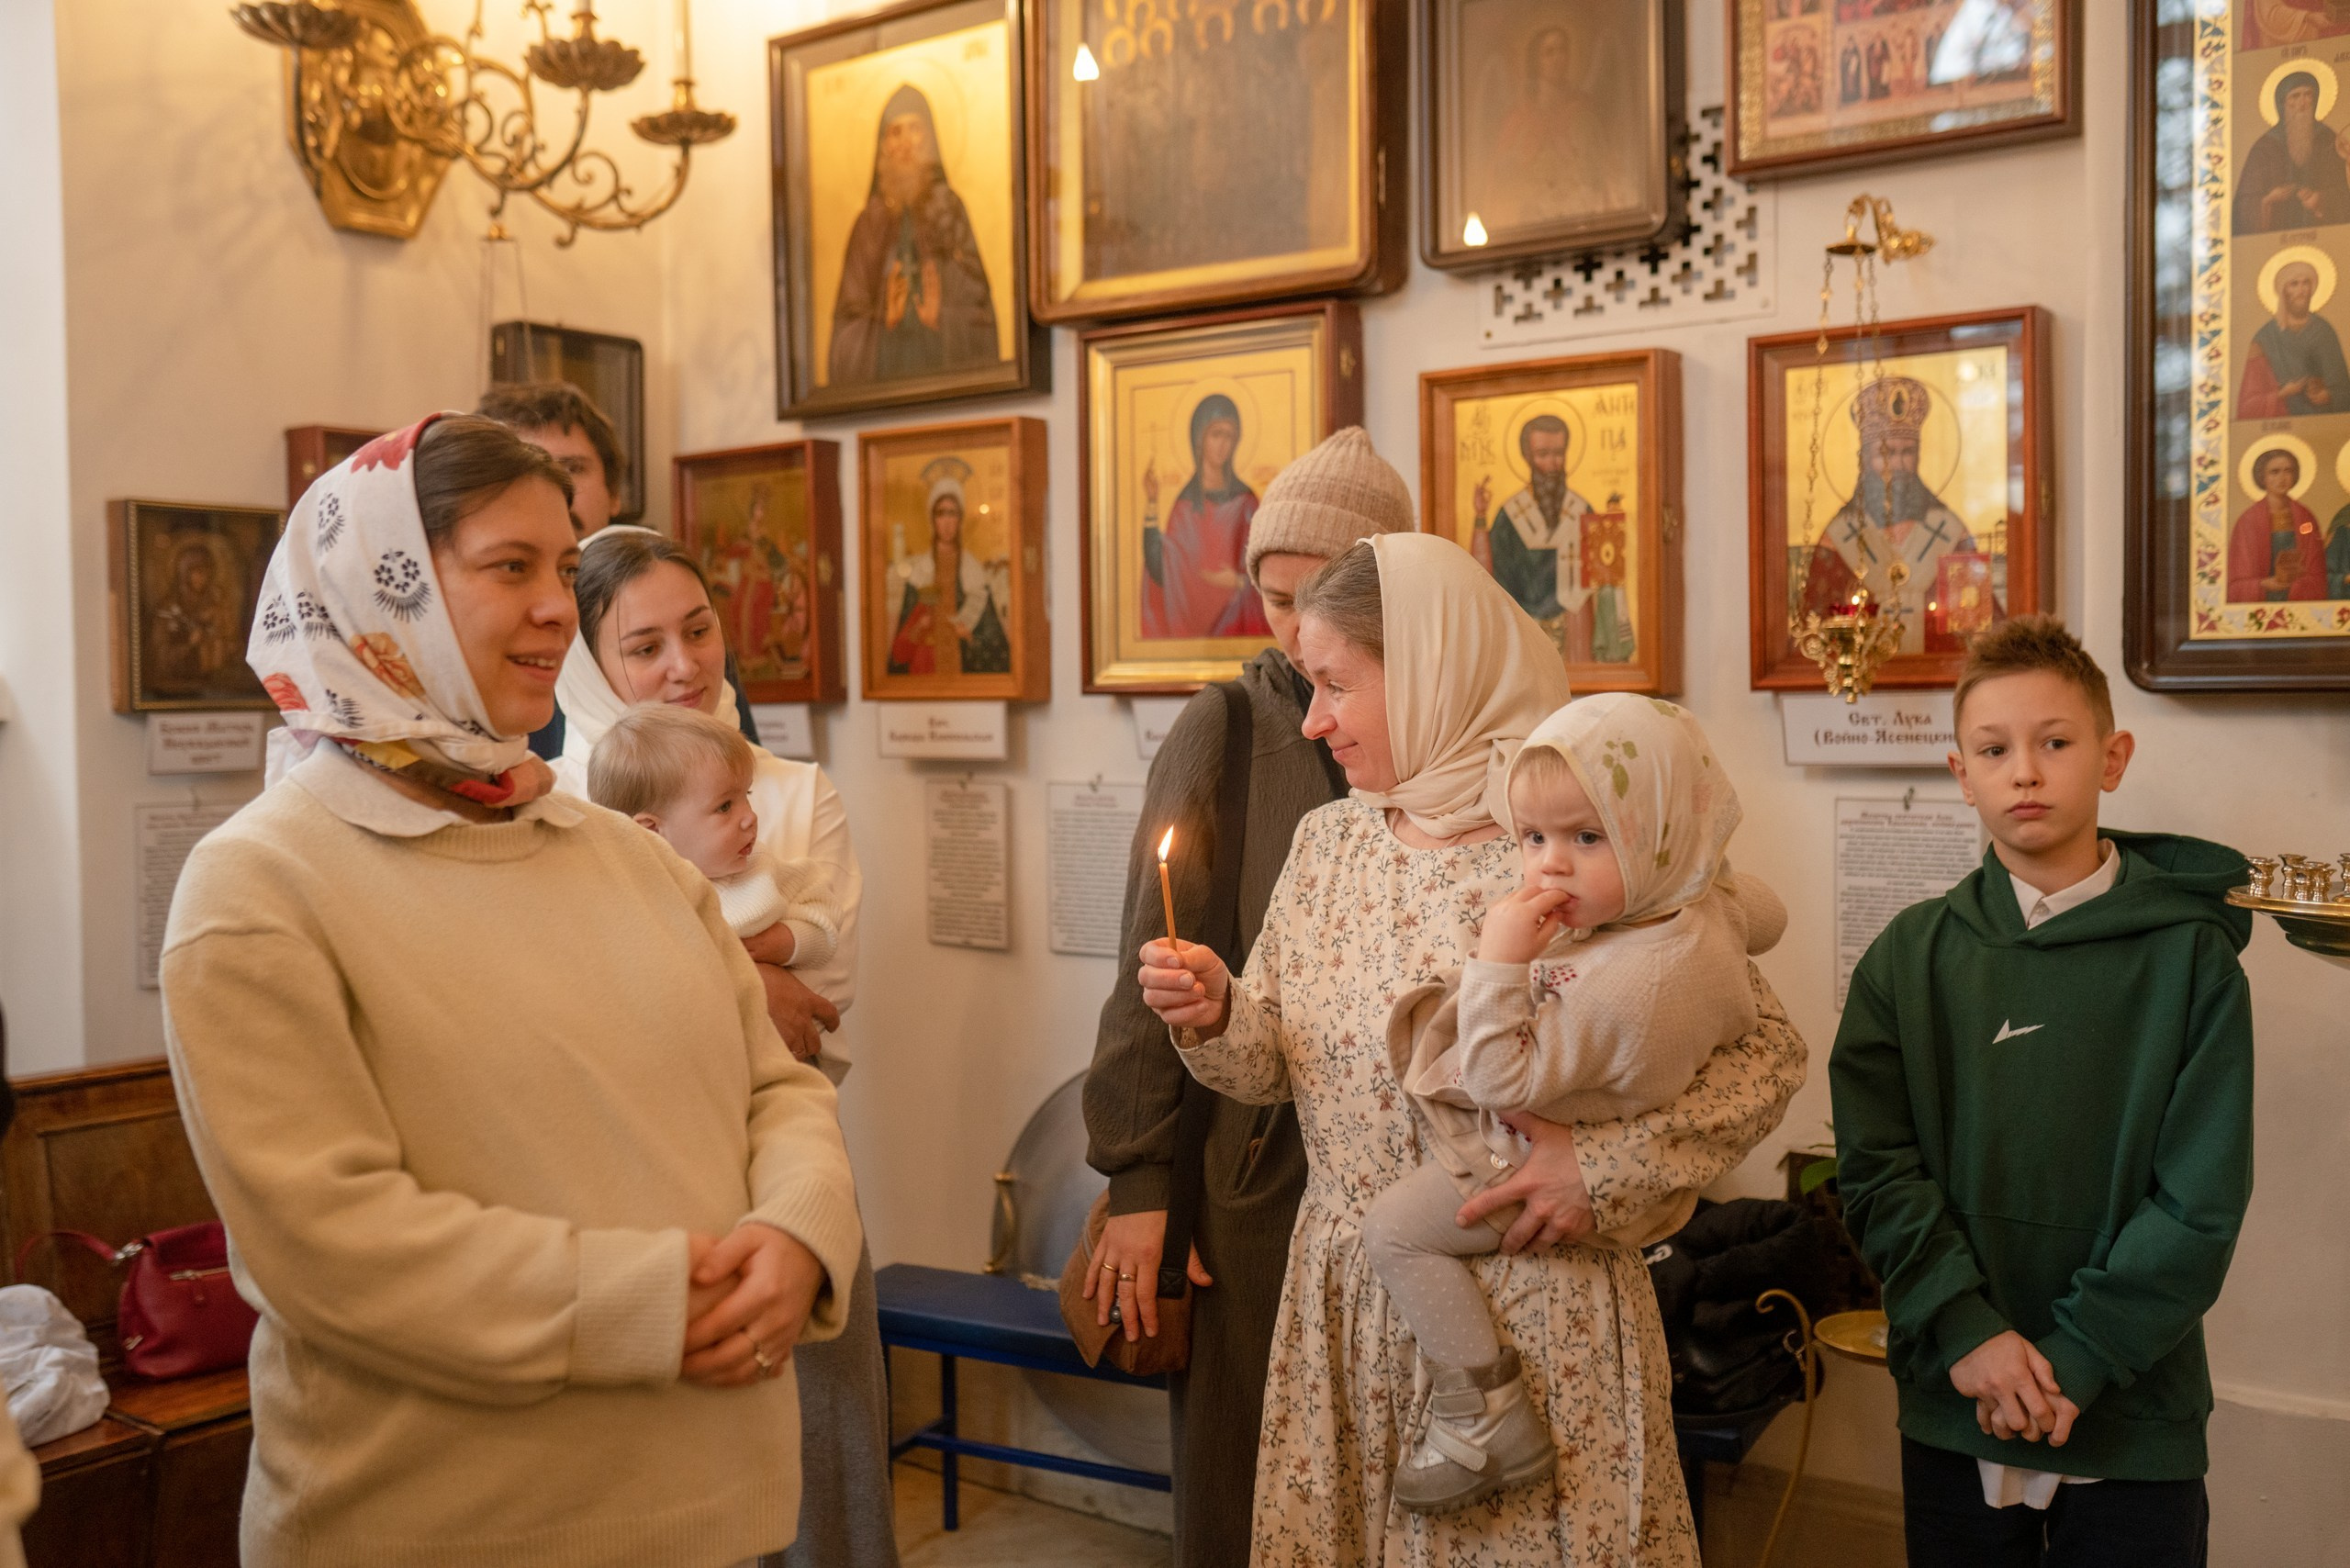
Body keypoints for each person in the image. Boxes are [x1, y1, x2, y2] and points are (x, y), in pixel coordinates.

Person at [161, 414, 863, 1567]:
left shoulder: (630, 858)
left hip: (708, 1508)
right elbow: (333, 1244)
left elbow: (775, 1090)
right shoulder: (259, 887)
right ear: (379, 596)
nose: (557, 607)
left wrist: (797, 1232)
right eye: (510, 567)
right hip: (449, 1524)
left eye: (564, 567)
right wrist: (645, 1303)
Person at [1136, 533, 1807, 1564]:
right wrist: (1221, 1014)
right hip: (1347, 1295)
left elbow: (1763, 1057)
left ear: (1432, 668)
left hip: (1535, 1306)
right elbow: (1279, 1063)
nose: (1312, 721)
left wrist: (1598, 1166)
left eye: (1334, 686)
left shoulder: (1564, 833)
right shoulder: (1334, 842)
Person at [1830, 617, 2253, 1568]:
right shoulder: (1908, 958)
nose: (2023, 771)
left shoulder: (2191, 962)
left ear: (2111, 757)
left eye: (2054, 743)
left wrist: (2082, 1353)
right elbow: (1874, 1169)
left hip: (2131, 1402)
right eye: (1994, 749)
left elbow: (2200, 1200)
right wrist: (1965, 1330)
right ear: (1959, 771)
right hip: (1956, 1387)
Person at [1081, 426, 1413, 1568]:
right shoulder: (1225, 726)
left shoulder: (1436, 734)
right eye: (1268, 597)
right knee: (1247, 1483)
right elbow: (1149, 969)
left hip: (1405, 1184)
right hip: (1255, 1179)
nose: (1285, 628)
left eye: (1310, 598)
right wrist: (1143, 1187)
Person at [548, 528, 896, 1568]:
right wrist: (750, 977)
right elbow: (571, 1006)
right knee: (662, 1488)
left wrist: (708, 978)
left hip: (791, 1161)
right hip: (624, 1177)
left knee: (825, 1457)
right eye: (644, 646)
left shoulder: (790, 791)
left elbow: (818, 1006)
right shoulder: (555, 807)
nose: (683, 666)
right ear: (592, 664)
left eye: (698, 630)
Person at [1365, 695, 1786, 1514]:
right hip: (1595, 1118)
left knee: (1395, 1234)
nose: (1549, 867)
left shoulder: (1632, 983)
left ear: (1658, 835)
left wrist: (1499, 965)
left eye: (1587, 838)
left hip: (1535, 1152)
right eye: (1534, 838)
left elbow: (1498, 1081)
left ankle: (1483, 1415)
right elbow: (1763, 913)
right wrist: (1701, 877)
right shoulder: (1692, 902)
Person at [476, 380, 764, 758]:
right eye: (525, 470)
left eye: (571, 468)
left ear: (614, 491)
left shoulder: (676, 601)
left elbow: (741, 771)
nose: (552, 490)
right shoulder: (482, 624)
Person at [588, 706, 842, 970]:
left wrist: (786, 941)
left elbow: (824, 915)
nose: (750, 817)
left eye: (747, 796)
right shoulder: (621, 898)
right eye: (724, 807)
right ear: (651, 830)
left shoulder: (760, 869)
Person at [1801, 375, 1991, 653]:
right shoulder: (1839, 535)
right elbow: (1815, 622)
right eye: (1885, 453)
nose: (1897, 465)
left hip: (1936, 673)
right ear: (1865, 461)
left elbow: (1977, 623)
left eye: (1907, 452)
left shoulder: (1950, 530)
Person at [827, 84, 998, 387]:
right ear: (882, 147)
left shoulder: (950, 212)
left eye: (915, 130)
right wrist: (882, 320)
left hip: (946, 384)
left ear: (930, 140)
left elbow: (979, 314)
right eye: (895, 132)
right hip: (883, 380)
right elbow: (844, 333)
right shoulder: (868, 224)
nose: (905, 143)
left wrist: (941, 317)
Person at [1472, 414, 1634, 663]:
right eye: (1543, 454)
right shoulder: (1511, 515)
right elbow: (1487, 577)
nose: (1552, 463)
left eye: (1559, 453)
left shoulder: (1581, 509)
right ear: (1528, 456)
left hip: (1574, 628)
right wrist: (1481, 516)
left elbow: (1602, 574)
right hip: (1522, 632)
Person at [1139, 395, 1270, 640]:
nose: (1223, 444)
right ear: (1200, 439)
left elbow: (1267, 568)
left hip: (1239, 619)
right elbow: (1162, 567)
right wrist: (1152, 502)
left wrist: (1238, 582)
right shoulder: (1185, 505)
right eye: (1216, 434)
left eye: (1229, 436)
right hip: (1189, 621)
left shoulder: (1246, 502)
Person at [884, 471, 1013, 677]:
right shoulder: (920, 572)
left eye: (952, 513)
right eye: (940, 513)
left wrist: (970, 636)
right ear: (932, 519)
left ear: (960, 519)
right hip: (925, 667)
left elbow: (994, 643)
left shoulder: (973, 572)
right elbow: (901, 650)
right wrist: (920, 626)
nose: (946, 521)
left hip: (962, 668)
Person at [2233, 69, 2350, 233]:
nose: (2302, 103)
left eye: (2308, 94)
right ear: (2283, 104)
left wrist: (2320, 200)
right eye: (2295, 96)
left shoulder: (2328, 139)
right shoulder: (2265, 147)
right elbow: (2244, 204)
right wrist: (2268, 200)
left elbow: (2343, 189)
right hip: (2273, 237)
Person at [2236, 258, 2350, 418]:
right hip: (2280, 423)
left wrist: (2328, 395)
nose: (2301, 290)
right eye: (2294, 284)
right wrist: (2282, 393)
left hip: (2321, 421)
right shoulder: (2265, 338)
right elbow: (2248, 405)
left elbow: (2343, 389)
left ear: (2312, 289)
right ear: (2283, 292)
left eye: (2306, 283)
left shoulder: (2324, 331)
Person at [2226, 447, 2331, 601]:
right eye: (2274, 472)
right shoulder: (2248, 521)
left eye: (2288, 471)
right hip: (2263, 599)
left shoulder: (2306, 518)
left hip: (2298, 598)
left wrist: (2297, 584)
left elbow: (2317, 572)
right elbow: (2236, 583)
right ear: (2262, 477)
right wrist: (2263, 584)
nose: (2282, 478)